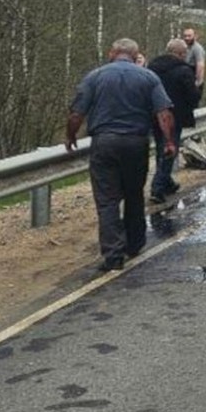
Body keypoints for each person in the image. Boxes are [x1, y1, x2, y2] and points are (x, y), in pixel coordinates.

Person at [66, 38, 175, 272]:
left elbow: (77, 112)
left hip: (104, 143)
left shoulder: (95, 76)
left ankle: (113, 254)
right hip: (136, 143)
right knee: (134, 194)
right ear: (136, 56)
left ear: (111, 53)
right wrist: (167, 141)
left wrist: (71, 136)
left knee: (107, 200)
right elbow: (163, 113)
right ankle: (134, 243)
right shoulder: (148, 77)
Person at [147, 38, 200, 203]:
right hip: (174, 117)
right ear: (180, 53)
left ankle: (167, 181)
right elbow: (193, 97)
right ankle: (158, 186)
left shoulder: (151, 68)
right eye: (185, 53)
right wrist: (198, 88)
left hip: (154, 115)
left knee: (161, 148)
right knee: (170, 149)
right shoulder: (184, 71)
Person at [182, 27, 206, 100]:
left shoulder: (197, 49)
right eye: (185, 36)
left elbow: (200, 65)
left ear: (195, 36)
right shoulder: (185, 47)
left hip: (193, 79)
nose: (187, 38)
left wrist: (198, 82)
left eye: (189, 36)